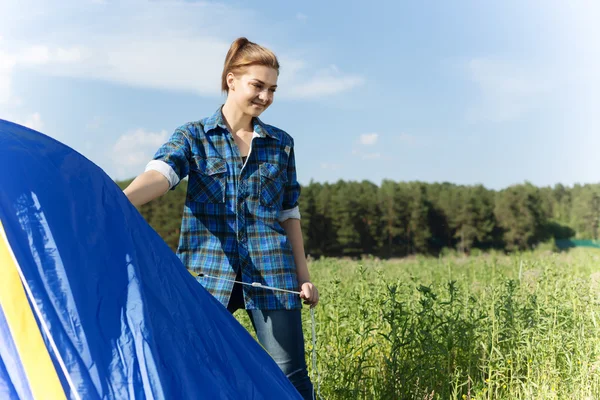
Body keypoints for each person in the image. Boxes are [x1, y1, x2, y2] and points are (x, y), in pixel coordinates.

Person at [123, 37, 319, 399]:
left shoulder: (281, 143)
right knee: (195, 370)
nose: (265, 97)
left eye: (272, 89)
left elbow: (290, 214)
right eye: (257, 85)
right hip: (206, 275)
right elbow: (161, 174)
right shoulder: (193, 136)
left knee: (290, 378)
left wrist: (303, 278)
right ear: (231, 80)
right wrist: (120, 201)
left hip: (274, 274)